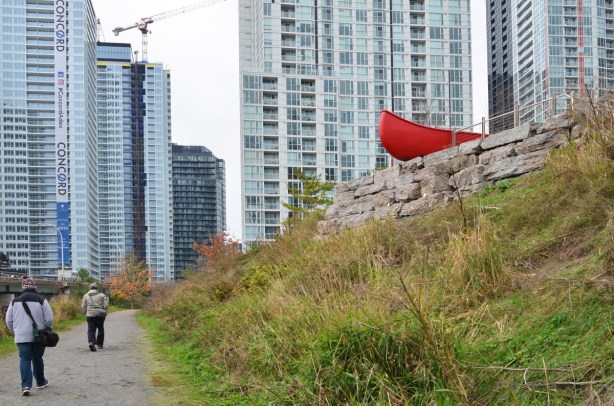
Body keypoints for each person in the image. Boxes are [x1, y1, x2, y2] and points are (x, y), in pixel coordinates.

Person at [5, 275, 54, 396]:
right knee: (37, 358)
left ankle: (26, 385)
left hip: (21, 335)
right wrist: (47, 330)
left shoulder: (14, 301)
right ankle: (40, 382)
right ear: (34, 286)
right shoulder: (41, 300)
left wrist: (15, 331)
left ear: (23, 287)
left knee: (24, 359)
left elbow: (8, 320)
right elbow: (49, 319)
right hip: (39, 336)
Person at [81, 282, 108, 352]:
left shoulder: (86, 295)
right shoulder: (102, 295)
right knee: (100, 329)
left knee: (91, 330)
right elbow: (106, 305)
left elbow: (83, 306)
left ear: (90, 288)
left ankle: (91, 342)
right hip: (100, 315)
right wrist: (103, 309)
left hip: (90, 315)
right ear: (97, 288)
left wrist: (85, 312)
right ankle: (100, 344)